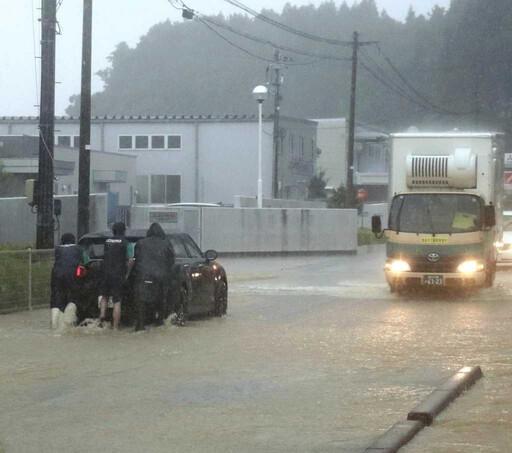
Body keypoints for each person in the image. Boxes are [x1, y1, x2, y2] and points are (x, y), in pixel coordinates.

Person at [133, 223, 175, 331]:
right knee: (161, 302)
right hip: (161, 278)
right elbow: (171, 261)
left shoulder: (140, 243)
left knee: (141, 303)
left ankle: (141, 325)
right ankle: (160, 323)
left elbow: (136, 259)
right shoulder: (166, 244)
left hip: (143, 277)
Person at [98, 222, 134, 329]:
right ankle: (115, 326)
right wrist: (127, 273)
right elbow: (130, 260)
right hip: (118, 275)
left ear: (113, 230)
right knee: (117, 301)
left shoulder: (107, 242)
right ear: (124, 230)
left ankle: (102, 314)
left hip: (105, 273)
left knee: (104, 296)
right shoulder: (126, 243)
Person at [50, 232, 90, 329]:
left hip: (56, 275)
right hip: (73, 275)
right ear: (74, 240)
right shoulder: (79, 249)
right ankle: (68, 324)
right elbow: (87, 262)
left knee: (56, 300)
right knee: (73, 297)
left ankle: (54, 325)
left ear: (62, 241)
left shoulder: (58, 249)